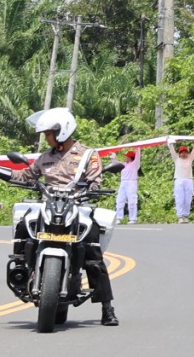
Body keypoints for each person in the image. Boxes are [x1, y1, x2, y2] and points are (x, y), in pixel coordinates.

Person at [26, 108, 116, 325]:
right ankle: (25, 271)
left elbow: (96, 179)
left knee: (93, 252)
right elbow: (27, 174)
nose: (46, 138)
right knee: (24, 227)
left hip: (77, 207)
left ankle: (107, 308)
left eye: (48, 134)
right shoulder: (45, 157)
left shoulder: (87, 155)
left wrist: (93, 188)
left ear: (61, 132)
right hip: (49, 205)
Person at [170, 140, 194, 222]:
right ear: (179, 154)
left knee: (188, 199)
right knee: (179, 198)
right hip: (179, 180)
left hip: (188, 180)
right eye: (182, 152)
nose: (184, 154)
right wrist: (170, 142)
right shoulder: (176, 159)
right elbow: (172, 151)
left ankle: (185, 215)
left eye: (185, 152)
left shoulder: (190, 159)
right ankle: (180, 216)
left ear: (187, 153)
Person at [114, 144, 142, 224]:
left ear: (130, 157)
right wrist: (113, 157)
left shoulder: (135, 164)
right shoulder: (124, 164)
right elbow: (116, 163)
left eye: (127, 156)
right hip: (123, 183)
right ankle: (118, 218)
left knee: (132, 201)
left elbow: (138, 156)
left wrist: (138, 147)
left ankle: (132, 218)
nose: (126, 157)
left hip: (131, 182)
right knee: (120, 200)